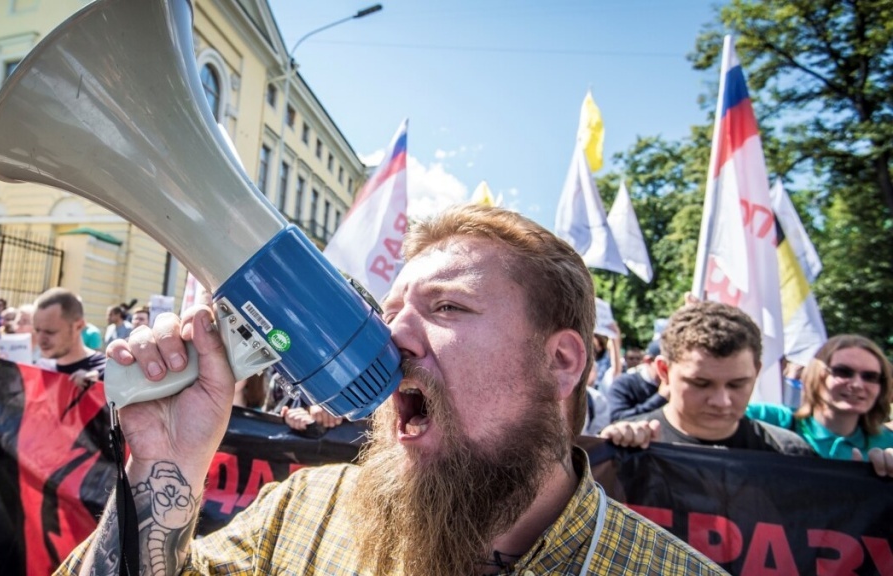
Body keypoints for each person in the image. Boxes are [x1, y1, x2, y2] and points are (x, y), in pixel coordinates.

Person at [57, 205, 721, 575]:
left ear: (562, 362)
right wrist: (161, 472)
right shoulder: (302, 515)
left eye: (449, 309)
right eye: (390, 310)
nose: (391, 336)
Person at [600, 302, 814, 456]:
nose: (721, 401)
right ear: (664, 371)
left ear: (756, 371)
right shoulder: (622, 448)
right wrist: (609, 451)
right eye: (700, 383)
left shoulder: (791, 455)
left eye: (737, 384)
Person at [746, 334, 893, 475]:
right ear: (816, 375)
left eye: (870, 376)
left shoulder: (888, 443)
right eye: (843, 372)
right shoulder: (770, 419)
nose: (857, 384)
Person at [33, 288, 106, 388]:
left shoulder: (105, 371)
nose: (40, 340)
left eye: (50, 332)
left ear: (79, 326)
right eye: (37, 330)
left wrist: (97, 388)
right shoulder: (40, 368)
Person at [607, 340, 666, 422]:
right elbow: (617, 419)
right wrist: (660, 398)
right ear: (648, 361)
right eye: (668, 364)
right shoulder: (624, 384)